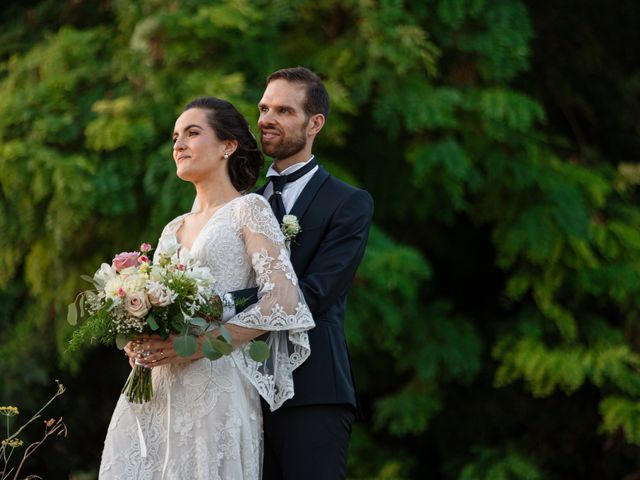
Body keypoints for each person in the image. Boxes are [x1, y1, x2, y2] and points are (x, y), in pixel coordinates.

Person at [99, 97, 315, 479]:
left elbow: (283, 299)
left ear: (227, 146)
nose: (178, 144)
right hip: (157, 386)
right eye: (175, 136)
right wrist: (140, 337)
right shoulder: (173, 228)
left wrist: (205, 344)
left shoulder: (249, 209)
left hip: (215, 382)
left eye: (193, 133)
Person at [256, 67, 374, 479]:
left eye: (284, 110)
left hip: (315, 391)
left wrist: (225, 310)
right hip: (244, 397)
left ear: (314, 123)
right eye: (264, 108)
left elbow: (316, 294)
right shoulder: (243, 205)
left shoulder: (349, 203)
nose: (267, 119)